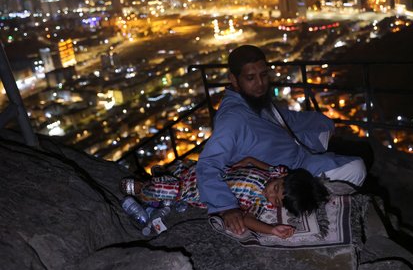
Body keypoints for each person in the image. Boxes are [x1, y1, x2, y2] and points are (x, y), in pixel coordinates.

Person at [196, 45, 366, 235]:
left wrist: (325, 122)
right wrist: (226, 207)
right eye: (251, 78)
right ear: (234, 80)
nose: (260, 84)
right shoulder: (232, 119)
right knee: (356, 169)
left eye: (264, 75)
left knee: (357, 160)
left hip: (300, 157)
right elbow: (207, 164)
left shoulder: (254, 101)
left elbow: (287, 119)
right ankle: (300, 204)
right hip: (283, 181)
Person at [120, 157, 328, 239]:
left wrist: (271, 230)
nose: (269, 194)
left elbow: (246, 219)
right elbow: (253, 162)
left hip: (197, 191)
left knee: (174, 189)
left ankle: (143, 189)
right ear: (282, 176)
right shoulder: (275, 172)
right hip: (213, 173)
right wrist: (242, 162)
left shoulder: (258, 203)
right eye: (275, 188)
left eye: (277, 200)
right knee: (188, 165)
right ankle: (164, 175)